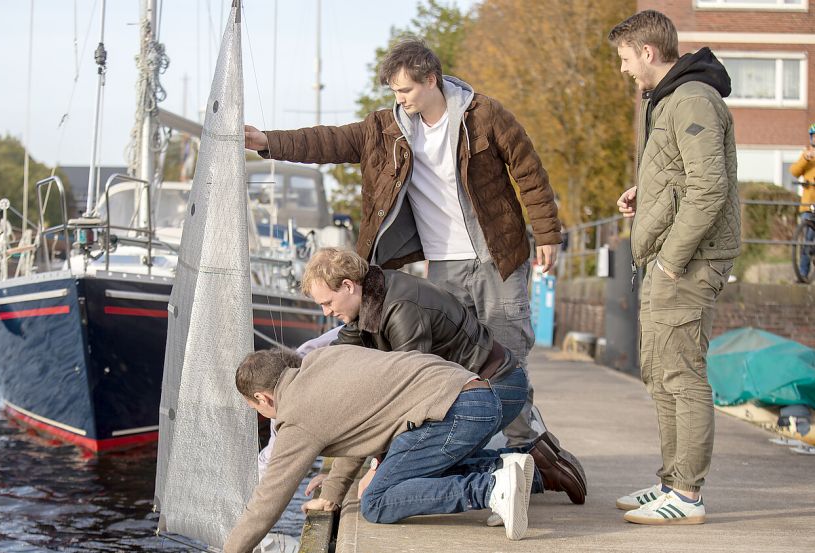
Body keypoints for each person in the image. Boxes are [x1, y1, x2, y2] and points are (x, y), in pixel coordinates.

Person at [243, 38, 561, 452]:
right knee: (452, 364)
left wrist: (549, 233)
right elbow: (327, 142)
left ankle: (528, 447)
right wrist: (266, 140)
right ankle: (466, 450)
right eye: (394, 91)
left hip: (497, 257)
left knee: (508, 358)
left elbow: (529, 172)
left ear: (432, 79)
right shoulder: (386, 130)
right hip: (443, 263)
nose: (400, 99)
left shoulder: (483, 116)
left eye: (406, 90)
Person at [300, 247, 586, 505]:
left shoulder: (401, 309)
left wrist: (378, 470)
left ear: (348, 286)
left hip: (497, 387)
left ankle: (535, 473)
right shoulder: (369, 304)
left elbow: (404, 400)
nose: (327, 312)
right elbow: (337, 369)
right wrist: (336, 483)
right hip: (473, 390)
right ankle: (535, 462)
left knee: (403, 477)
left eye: (327, 303)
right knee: (413, 467)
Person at [608, 10, 740, 525]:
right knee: (660, 372)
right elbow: (685, 174)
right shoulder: (669, 101)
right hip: (670, 259)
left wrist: (669, 261)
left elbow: (710, 189)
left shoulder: (692, 100)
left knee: (682, 374)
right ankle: (670, 483)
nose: (622, 69)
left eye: (624, 58)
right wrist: (651, 193)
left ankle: (686, 495)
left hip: (687, 264)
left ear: (647, 51)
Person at [224, 346, 533, 553]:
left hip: (454, 412)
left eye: (255, 408)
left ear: (263, 398)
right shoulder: (323, 359)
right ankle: (505, 466)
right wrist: (332, 493)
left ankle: (492, 489)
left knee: (377, 502)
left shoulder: (296, 417)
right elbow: (358, 431)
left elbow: (267, 501)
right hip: (478, 393)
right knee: (402, 471)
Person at [789, 124, 815, 282]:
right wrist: (806, 159)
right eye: (813, 135)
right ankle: (803, 275)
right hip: (808, 204)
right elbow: (794, 171)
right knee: (806, 240)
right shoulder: (806, 154)